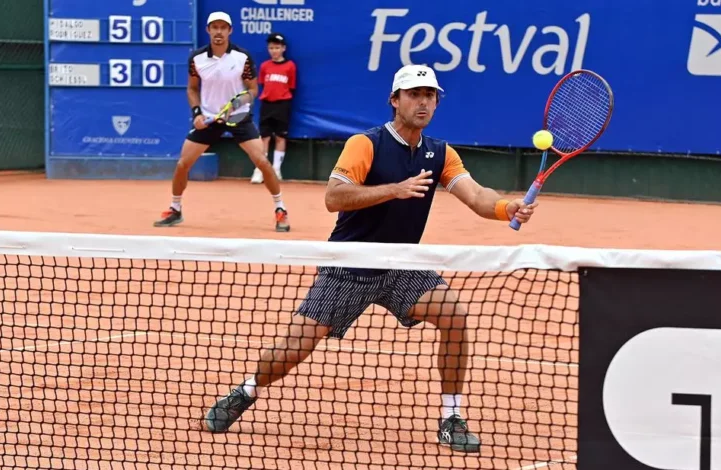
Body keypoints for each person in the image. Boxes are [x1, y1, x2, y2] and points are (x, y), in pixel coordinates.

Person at [199, 64, 538, 453]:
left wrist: (506, 208)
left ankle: (451, 417)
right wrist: (393, 190)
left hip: (402, 266)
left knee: (455, 317)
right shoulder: (366, 144)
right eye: (414, 94)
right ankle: (247, 390)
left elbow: (478, 196)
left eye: (430, 95)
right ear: (395, 101)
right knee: (292, 350)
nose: (423, 102)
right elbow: (334, 197)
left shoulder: (440, 153)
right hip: (350, 266)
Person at [154, 11, 291, 232]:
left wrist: (238, 103)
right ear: (208, 30)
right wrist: (197, 113)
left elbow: (253, 89)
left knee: (263, 162)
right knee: (182, 165)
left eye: (223, 27)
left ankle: (280, 209)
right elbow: (192, 88)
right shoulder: (197, 59)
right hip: (209, 117)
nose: (218, 31)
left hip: (238, 117)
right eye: (214, 27)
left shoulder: (242, 58)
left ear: (230, 31)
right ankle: (175, 208)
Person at [250, 32, 297, 184]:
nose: (274, 51)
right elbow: (263, 84)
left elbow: (291, 86)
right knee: (264, 137)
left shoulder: (290, 66)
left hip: (283, 105)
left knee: (280, 137)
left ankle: (276, 170)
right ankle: (260, 170)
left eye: (277, 47)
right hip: (267, 105)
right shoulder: (264, 66)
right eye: (271, 48)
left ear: (283, 48)